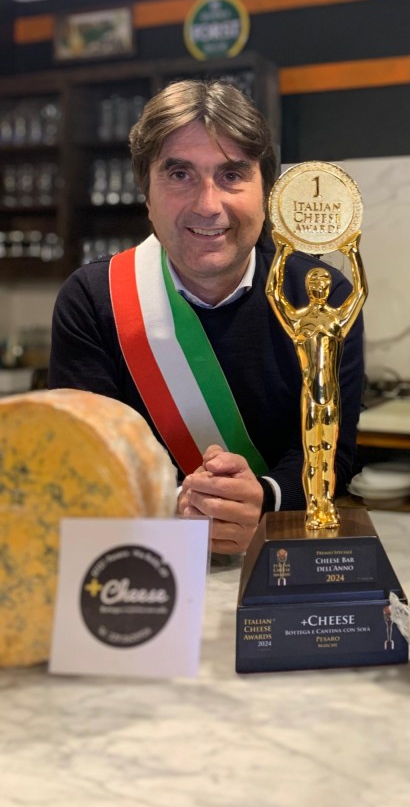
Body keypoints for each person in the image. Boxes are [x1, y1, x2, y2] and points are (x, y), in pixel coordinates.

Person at [49, 79, 365, 554]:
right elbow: (81, 461)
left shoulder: (321, 295)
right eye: (180, 174)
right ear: (147, 195)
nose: (208, 205)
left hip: (275, 554)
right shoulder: (93, 300)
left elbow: (332, 449)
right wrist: (181, 506)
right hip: (141, 556)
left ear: (266, 193)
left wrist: (264, 497)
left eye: (232, 174)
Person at [267, 230, 367, 529]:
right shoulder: (299, 321)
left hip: (332, 397)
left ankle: (325, 505)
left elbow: (360, 293)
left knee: (329, 453)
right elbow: (273, 293)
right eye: (315, 282)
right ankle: (314, 507)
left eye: (323, 282)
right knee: (312, 454)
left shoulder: (337, 319)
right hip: (310, 397)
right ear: (308, 287)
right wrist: (282, 253)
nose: (320, 286)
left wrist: (353, 254)